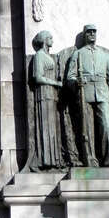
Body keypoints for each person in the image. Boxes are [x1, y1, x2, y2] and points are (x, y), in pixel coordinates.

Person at [66, 23, 109, 167]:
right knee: (86, 129)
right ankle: (89, 159)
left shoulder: (105, 56)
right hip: (84, 93)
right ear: (85, 35)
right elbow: (70, 77)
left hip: (103, 94)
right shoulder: (77, 54)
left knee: (107, 126)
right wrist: (76, 82)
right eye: (89, 32)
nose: (92, 34)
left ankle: (108, 158)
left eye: (94, 32)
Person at [31, 30, 62, 169]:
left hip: (51, 95)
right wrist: (56, 83)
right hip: (43, 94)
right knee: (45, 127)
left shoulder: (48, 56)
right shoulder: (39, 56)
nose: (52, 41)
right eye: (50, 38)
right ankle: (42, 161)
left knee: (52, 128)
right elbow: (38, 77)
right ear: (44, 40)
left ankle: (52, 160)